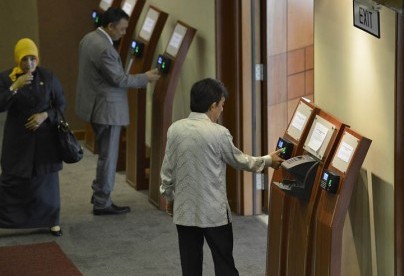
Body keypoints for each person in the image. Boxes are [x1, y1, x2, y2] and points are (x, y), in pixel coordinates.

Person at [160, 78, 284, 276]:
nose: (222, 110)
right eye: (221, 105)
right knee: (224, 263)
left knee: (190, 267)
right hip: (214, 213)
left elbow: (167, 169)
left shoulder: (174, 130)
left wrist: (169, 197)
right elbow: (240, 160)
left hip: (185, 210)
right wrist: (268, 160)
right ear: (212, 105)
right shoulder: (219, 133)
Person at [75, 7, 160, 215]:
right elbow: (119, 79)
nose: (124, 33)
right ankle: (102, 202)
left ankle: (99, 194)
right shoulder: (105, 49)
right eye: (122, 29)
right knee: (108, 157)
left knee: (106, 155)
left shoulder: (88, 38)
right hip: (107, 110)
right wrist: (146, 78)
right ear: (110, 26)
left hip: (94, 105)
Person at [0, 38, 66, 236]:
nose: (29, 64)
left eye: (32, 59)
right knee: (13, 179)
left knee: (46, 181)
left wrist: (44, 116)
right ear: (17, 60)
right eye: (24, 59)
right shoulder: (6, 78)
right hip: (18, 140)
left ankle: (52, 221)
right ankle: (7, 220)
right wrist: (15, 86)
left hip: (44, 140)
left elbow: (61, 105)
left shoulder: (48, 76)